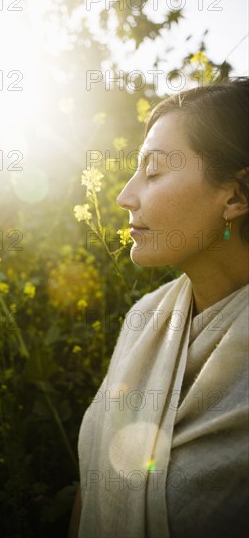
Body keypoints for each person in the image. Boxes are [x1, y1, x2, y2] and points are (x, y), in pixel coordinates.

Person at [69, 77, 249, 538]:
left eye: (152, 172)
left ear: (236, 196)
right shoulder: (143, 319)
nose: (124, 197)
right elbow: (88, 494)